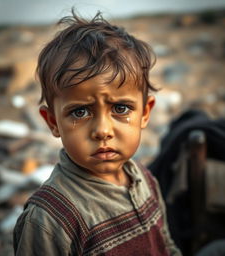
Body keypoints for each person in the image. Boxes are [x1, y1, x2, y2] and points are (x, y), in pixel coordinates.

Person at [13, 9, 181, 256]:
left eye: (121, 108)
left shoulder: (145, 180)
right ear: (53, 122)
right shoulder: (50, 221)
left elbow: (166, 246)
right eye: (80, 112)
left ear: (145, 113)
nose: (102, 131)